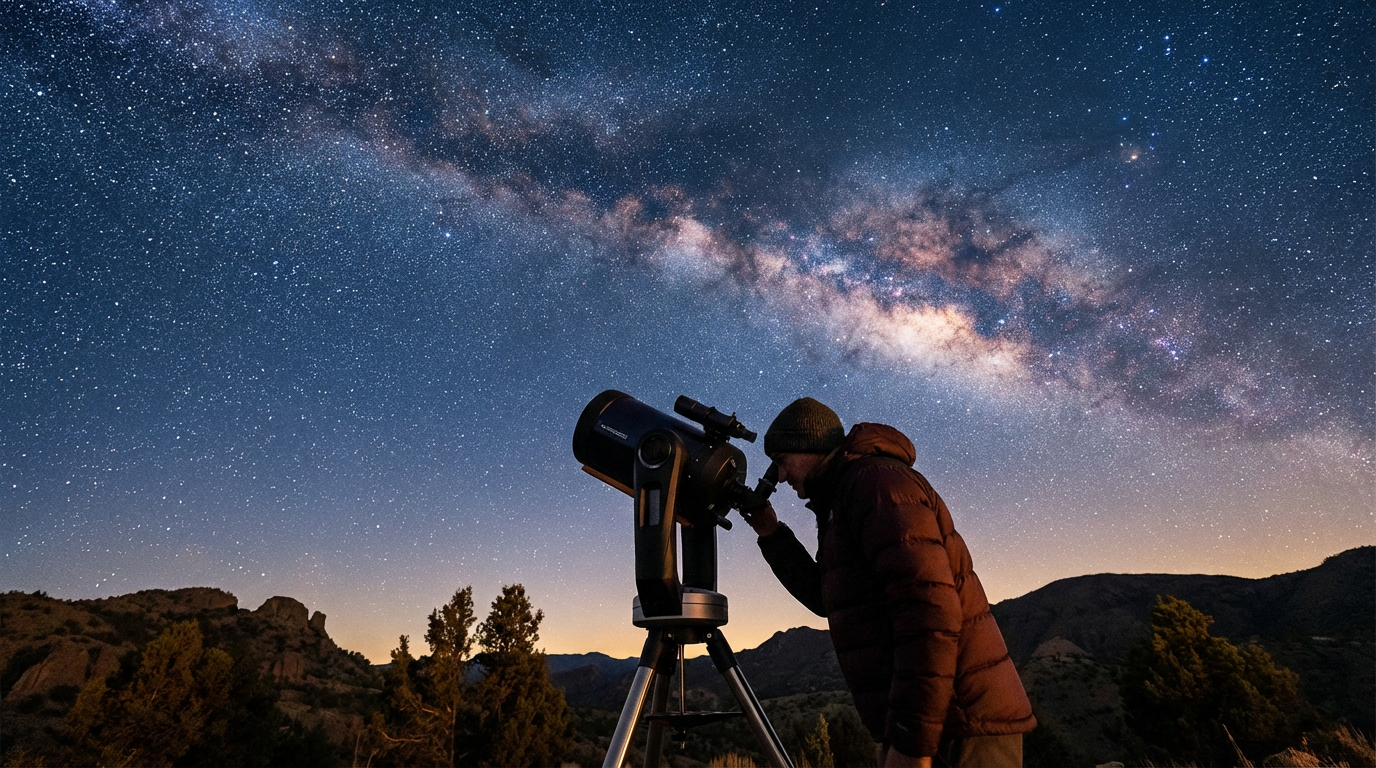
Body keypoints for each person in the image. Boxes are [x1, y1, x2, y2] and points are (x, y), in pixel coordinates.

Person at [742, 398, 1035, 768]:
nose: (780, 476)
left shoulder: (877, 484)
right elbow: (828, 598)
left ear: (808, 446)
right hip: (929, 719)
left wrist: (913, 741)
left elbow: (927, 611)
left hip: (958, 722)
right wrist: (772, 535)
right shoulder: (843, 498)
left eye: (782, 461)